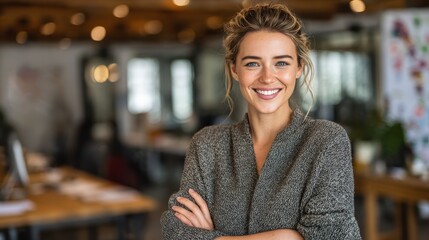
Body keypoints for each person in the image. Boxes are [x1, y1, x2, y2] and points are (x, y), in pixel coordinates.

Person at [160, 3, 361, 240]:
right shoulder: (207, 145)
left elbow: (334, 236)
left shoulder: (326, 141)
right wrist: (286, 236)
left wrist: (213, 237)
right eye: (253, 63)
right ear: (234, 69)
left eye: (282, 63)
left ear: (299, 68)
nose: (267, 77)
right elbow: (174, 229)